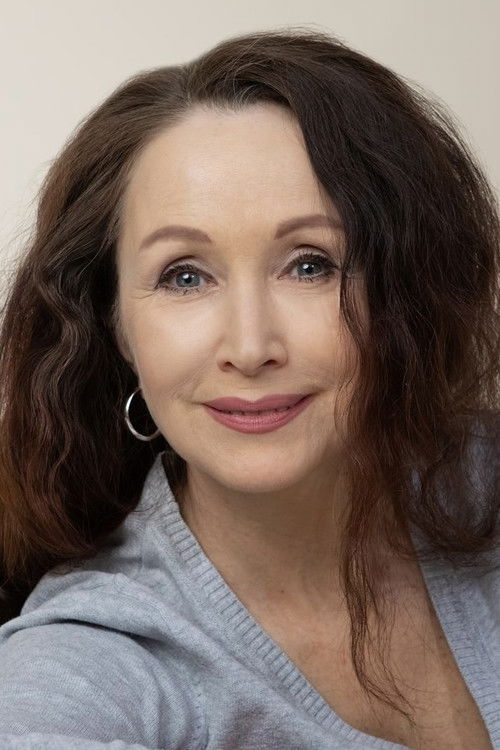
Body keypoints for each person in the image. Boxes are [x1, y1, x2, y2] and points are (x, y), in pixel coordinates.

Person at [0, 26, 498, 750]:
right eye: (184, 276)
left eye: (310, 264)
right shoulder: (90, 655)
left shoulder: (484, 482)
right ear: (115, 329)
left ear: (406, 291)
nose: (250, 347)